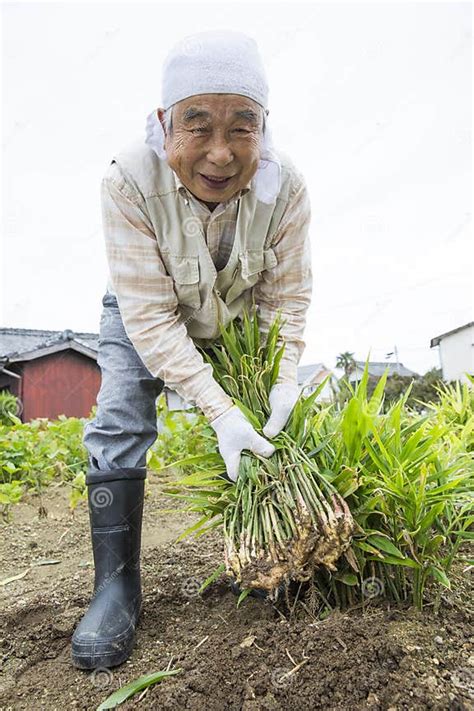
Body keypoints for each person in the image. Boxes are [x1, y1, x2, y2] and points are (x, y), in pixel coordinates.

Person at [71, 28, 312, 670]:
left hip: (233, 311)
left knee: (273, 421)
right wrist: (217, 408)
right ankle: (115, 588)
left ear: (264, 127)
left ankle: (281, 550)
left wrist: (282, 376)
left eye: (242, 128)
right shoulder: (129, 180)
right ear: (162, 123)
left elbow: (286, 301)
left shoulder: (286, 191)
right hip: (143, 309)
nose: (220, 153)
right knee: (121, 413)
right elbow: (149, 320)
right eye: (197, 125)